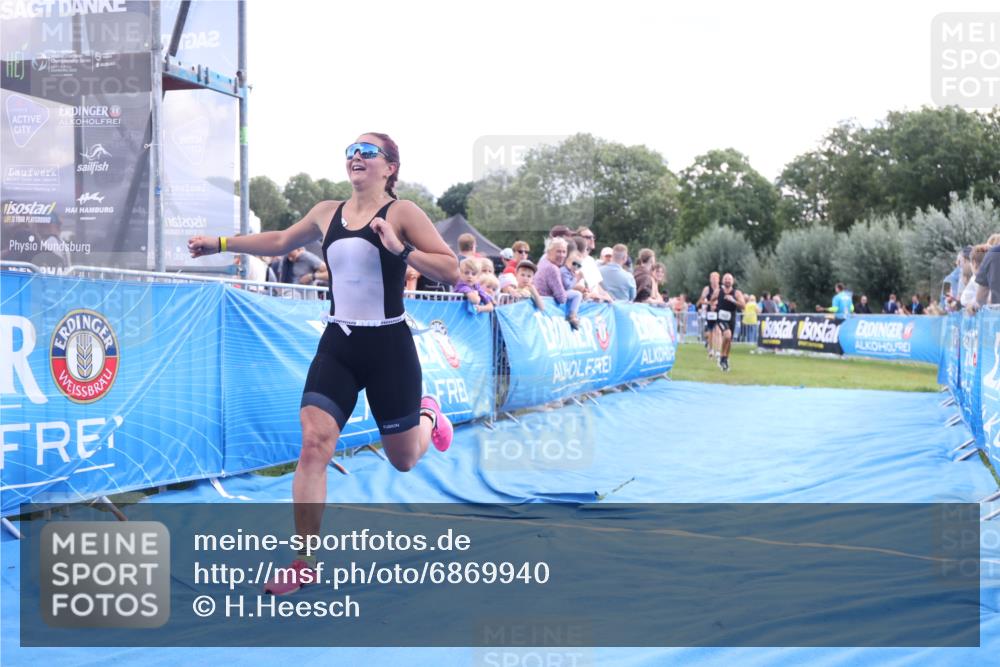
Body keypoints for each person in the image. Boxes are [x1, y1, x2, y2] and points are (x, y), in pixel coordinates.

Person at [187, 132, 459, 595]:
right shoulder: (325, 211)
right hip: (339, 342)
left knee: (405, 460)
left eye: (368, 151)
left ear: (389, 167)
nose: (356, 156)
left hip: (390, 346)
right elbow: (278, 240)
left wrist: (401, 250)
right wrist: (220, 242)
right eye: (351, 150)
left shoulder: (403, 212)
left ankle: (428, 412)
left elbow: (451, 269)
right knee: (314, 443)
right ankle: (304, 560)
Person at [535, 236, 583, 329]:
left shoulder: (543, 261)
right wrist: (575, 279)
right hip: (546, 306)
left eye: (564, 252)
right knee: (577, 294)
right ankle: (572, 317)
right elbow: (562, 298)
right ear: (549, 252)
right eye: (558, 251)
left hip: (542, 303)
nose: (561, 255)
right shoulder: (553, 268)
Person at [715, 273, 745, 371]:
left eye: (729, 279)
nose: (727, 280)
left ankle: (725, 358)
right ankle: (722, 357)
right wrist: (711, 305)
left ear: (732, 281)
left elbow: (743, 306)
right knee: (727, 335)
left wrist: (733, 300)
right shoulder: (718, 291)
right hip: (720, 317)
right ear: (723, 280)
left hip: (731, 318)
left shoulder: (737, 293)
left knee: (729, 339)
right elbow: (711, 300)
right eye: (726, 279)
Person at [697, 271, 721, 359]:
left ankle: (718, 351)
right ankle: (711, 350)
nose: (714, 280)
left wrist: (717, 304)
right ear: (710, 280)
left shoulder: (721, 289)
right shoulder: (707, 289)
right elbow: (701, 301)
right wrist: (710, 303)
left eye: (716, 278)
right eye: (712, 278)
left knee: (718, 331)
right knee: (711, 332)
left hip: (719, 312)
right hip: (710, 312)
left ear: (719, 279)